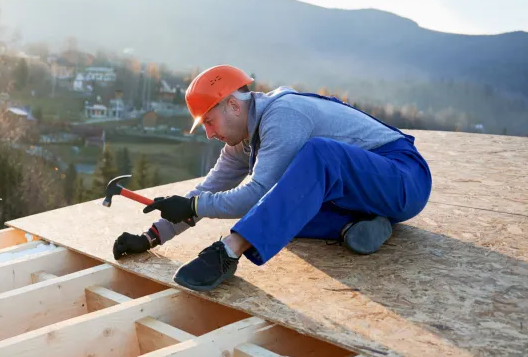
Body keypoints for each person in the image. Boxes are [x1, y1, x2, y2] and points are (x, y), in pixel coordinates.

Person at [112, 64, 432, 292]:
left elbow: (252, 195)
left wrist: (194, 206)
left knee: (300, 175)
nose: (209, 134)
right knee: (280, 216)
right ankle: (355, 225)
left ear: (234, 106)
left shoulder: (283, 115)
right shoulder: (244, 139)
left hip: (403, 179)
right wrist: (152, 236)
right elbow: (209, 188)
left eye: (209, 122)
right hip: (363, 193)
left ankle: (228, 252)